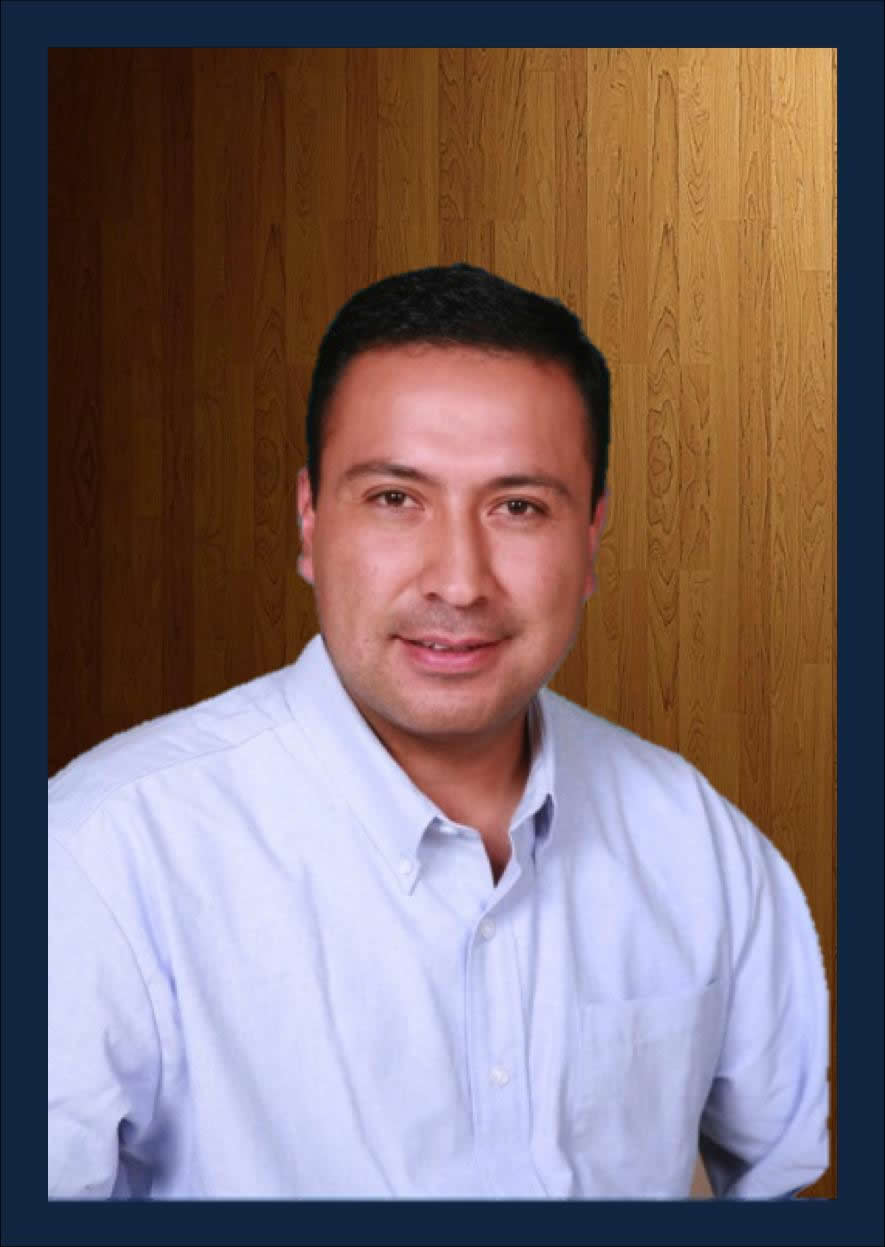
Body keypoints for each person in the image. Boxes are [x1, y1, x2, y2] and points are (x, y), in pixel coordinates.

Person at [48, 263, 829, 1200]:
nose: (458, 581)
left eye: (518, 507)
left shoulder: (696, 840)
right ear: (308, 519)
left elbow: (782, 1185)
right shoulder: (100, 856)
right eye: (394, 498)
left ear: (591, 538)